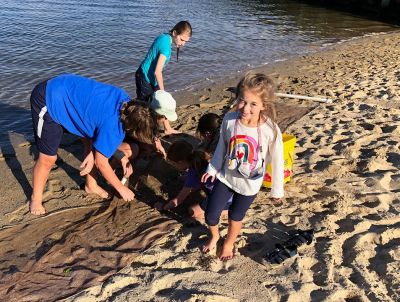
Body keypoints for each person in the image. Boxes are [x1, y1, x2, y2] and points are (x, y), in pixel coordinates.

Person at [29, 73, 167, 215]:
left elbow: (97, 132)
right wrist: (121, 188)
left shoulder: (127, 102)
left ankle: (91, 185)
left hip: (73, 95)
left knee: (94, 145)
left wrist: (120, 157)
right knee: (48, 159)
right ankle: (36, 198)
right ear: (132, 129)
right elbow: (102, 163)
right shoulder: (114, 128)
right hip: (48, 99)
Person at [201, 71, 285, 261]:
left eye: (253, 104)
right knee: (210, 215)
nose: (245, 108)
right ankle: (215, 236)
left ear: (264, 105)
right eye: (242, 101)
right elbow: (221, 147)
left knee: (235, 217)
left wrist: (276, 190)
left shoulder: (270, 129)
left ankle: (229, 243)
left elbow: (278, 160)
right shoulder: (229, 120)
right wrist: (212, 169)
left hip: (249, 185)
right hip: (226, 176)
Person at [135, 21, 192, 135]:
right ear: (175, 33)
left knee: (161, 105)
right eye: (182, 40)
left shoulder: (164, 37)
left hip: (151, 78)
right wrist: (162, 91)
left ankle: (167, 128)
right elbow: (157, 71)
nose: (183, 44)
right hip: (144, 77)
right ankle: (141, 131)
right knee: (146, 107)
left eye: (186, 41)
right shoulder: (166, 48)